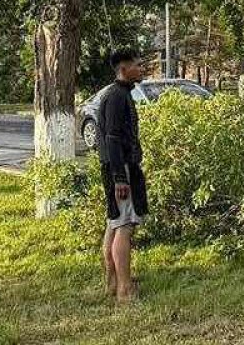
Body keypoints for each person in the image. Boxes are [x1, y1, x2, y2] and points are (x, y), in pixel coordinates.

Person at [97, 49, 149, 304]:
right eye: (138, 66)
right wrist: (120, 176)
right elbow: (113, 139)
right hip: (121, 169)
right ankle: (125, 290)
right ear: (124, 69)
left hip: (115, 168)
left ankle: (112, 282)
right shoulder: (117, 97)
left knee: (114, 224)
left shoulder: (116, 94)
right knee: (125, 226)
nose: (142, 69)